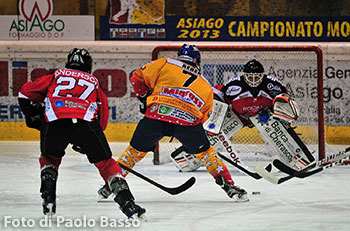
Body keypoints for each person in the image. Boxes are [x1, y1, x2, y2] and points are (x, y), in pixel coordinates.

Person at [98, 44, 249, 202]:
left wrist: (143, 98)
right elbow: (205, 117)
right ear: (197, 61)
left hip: (156, 116)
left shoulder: (166, 63)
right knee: (206, 155)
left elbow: (136, 77)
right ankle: (229, 185)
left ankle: (111, 184)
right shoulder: (205, 84)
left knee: (133, 153)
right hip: (187, 122)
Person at [18, 48, 145, 219]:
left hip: (54, 121)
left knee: (50, 158)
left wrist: (34, 115)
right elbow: (103, 115)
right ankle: (128, 205)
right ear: (88, 66)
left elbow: (24, 94)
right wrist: (89, 141)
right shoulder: (93, 81)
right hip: (85, 124)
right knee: (107, 165)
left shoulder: (56, 75)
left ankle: (48, 196)